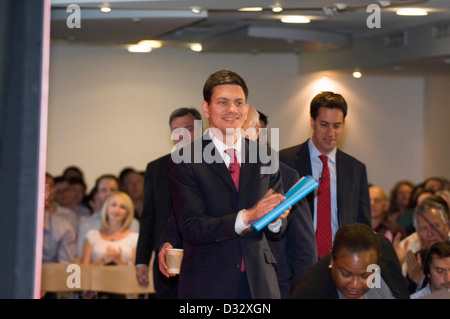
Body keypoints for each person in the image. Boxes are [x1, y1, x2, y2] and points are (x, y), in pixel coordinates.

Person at [157, 106, 318, 299]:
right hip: (213, 282)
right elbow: (183, 217)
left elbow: (304, 248)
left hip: (267, 284)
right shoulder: (208, 169)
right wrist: (167, 242)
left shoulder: (285, 176)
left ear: (257, 132)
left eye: (241, 129)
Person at [169, 70, 290, 299]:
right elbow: (191, 226)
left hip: (259, 284)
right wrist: (247, 217)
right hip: (208, 283)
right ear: (206, 109)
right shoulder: (186, 159)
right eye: (222, 102)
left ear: (246, 109)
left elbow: (279, 230)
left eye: (238, 103)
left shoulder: (265, 155)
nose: (232, 109)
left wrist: (274, 218)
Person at [279, 91, 371, 258]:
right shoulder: (284, 161)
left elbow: (363, 224)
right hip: (296, 259)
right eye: (324, 124)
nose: (331, 133)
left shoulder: (356, 169)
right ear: (312, 122)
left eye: (337, 126)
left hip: (341, 261)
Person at [135, 107, 202, 299]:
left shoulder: (216, 165)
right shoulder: (156, 168)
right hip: (166, 260)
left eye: (188, 129)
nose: (181, 136)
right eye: (176, 131)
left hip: (203, 257)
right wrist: (141, 260)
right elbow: (148, 217)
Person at [291, 223, 410, 299]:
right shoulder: (308, 293)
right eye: (346, 274)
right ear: (332, 259)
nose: (355, 285)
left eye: (365, 276)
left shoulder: (384, 249)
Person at [81, 191, 139, 299]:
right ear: (106, 208)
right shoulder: (92, 235)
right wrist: (103, 260)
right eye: (113, 205)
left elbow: (138, 272)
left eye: (122, 207)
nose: (117, 210)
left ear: (127, 212)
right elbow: (84, 271)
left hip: (125, 291)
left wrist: (119, 260)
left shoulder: (135, 238)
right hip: (96, 290)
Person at [394, 195, 450, 293]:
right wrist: (396, 264)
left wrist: (420, 280)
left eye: (435, 226)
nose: (430, 234)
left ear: (446, 227)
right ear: (418, 233)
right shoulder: (417, 259)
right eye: (424, 229)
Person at [77, 174, 140, 259]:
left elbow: (138, 259)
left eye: (112, 190)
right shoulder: (87, 225)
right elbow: (81, 257)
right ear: (97, 194)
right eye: (104, 190)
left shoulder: (133, 223)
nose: (108, 193)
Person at [42, 174, 77, 299]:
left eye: (48, 186)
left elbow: (69, 270)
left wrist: (44, 284)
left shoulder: (63, 227)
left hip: (51, 288)